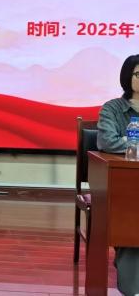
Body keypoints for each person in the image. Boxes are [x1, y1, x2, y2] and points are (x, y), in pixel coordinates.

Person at [97, 54, 139, 296]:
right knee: (131, 219)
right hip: (125, 186)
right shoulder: (112, 108)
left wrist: (129, 142)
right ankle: (132, 288)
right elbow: (107, 141)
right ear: (127, 77)